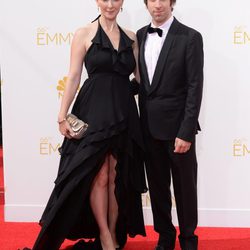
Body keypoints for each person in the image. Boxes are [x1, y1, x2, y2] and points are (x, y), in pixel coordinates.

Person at [24, 0, 147, 249]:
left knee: (116, 176)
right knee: (98, 175)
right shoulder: (84, 34)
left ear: (122, 2)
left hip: (123, 113)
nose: (110, 4)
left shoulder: (132, 38)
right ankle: (103, 233)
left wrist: (129, 92)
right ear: (97, 1)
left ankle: (112, 233)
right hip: (94, 112)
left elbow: (141, 78)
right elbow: (73, 77)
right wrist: (62, 115)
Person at [136, 0, 203, 250]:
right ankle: (165, 236)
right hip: (149, 128)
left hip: (178, 131)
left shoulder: (190, 37)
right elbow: (143, 84)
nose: (158, 5)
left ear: (172, 3)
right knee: (157, 188)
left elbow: (195, 88)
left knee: (185, 188)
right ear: (146, 4)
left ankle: (188, 239)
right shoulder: (140, 36)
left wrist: (186, 132)